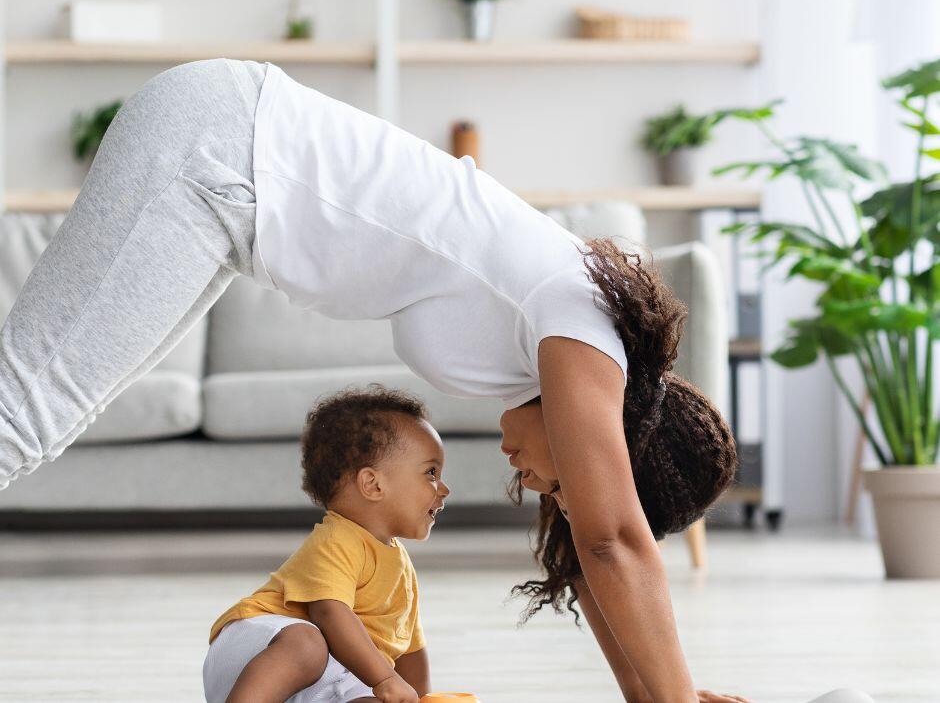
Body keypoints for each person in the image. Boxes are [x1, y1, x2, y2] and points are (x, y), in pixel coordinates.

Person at [0, 58, 871, 702]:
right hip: (220, 152)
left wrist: (652, 698)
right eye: (560, 479)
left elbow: (593, 552)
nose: (530, 482)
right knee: (26, 413)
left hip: (229, 188)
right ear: (610, 447)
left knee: (36, 411)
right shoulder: (584, 331)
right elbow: (614, 542)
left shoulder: (567, 344)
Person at [203, 386, 448, 703]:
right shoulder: (339, 539)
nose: (444, 489)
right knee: (308, 643)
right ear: (372, 484)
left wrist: (419, 698)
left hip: (321, 678)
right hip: (257, 651)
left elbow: (410, 650)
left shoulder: (400, 566)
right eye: (431, 472)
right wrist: (386, 678)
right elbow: (329, 613)